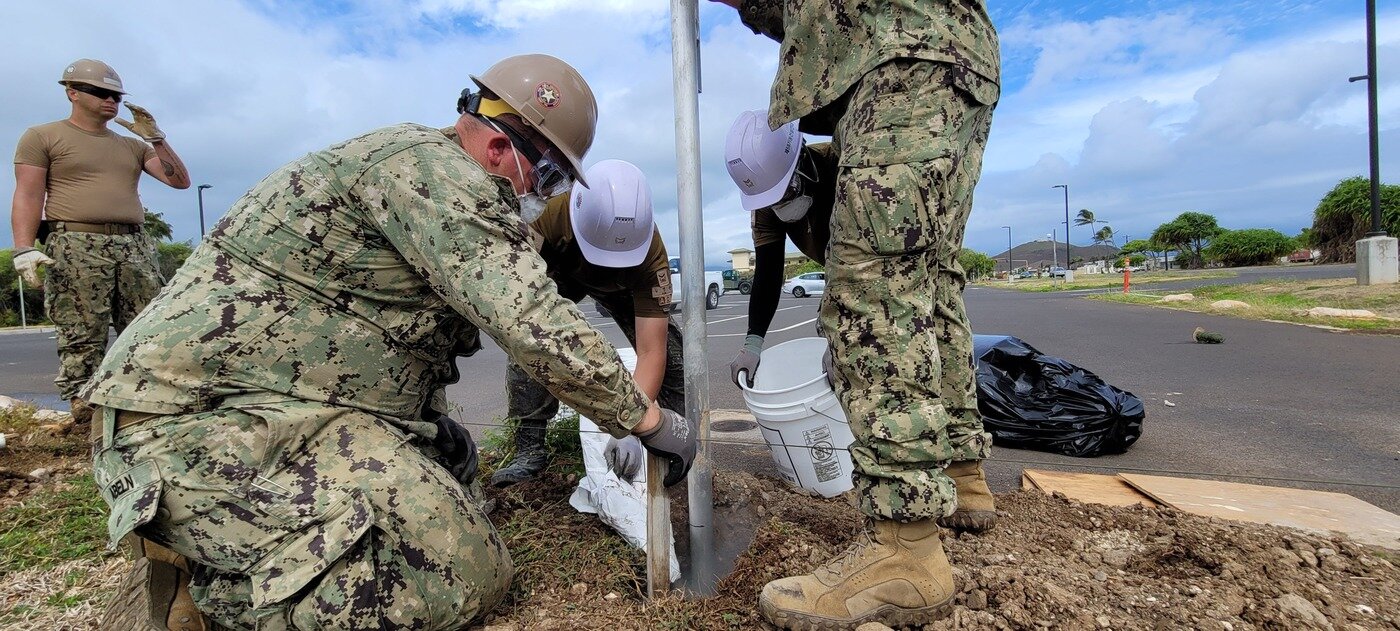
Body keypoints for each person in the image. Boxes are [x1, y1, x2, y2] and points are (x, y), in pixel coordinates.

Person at [82, 54, 697, 631]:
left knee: (454, 466)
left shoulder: (435, 175)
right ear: (498, 145)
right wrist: (642, 418)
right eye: (552, 172)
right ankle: (212, 591)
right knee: (463, 573)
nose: (548, 189)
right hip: (195, 424)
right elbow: (532, 321)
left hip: (291, 404)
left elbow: (397, 338)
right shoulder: (433, 177)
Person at [710, 1, 1001, 627]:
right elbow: (766, 276)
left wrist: (853, 329)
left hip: (901, 54)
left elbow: (875, 290)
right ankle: (962, 473)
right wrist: (754, 340)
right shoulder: (767, 203)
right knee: (933, 283)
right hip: (950, 53)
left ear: (799, 162)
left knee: (877, 301)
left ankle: (907, 549)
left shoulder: (845, 156)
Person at [10, 58, 190, 434]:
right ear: (73, 93)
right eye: (101, 93)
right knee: (81, 332)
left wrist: (156, 138)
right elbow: (28, 194)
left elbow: (180, 183)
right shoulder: (43, 136)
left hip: (133, 245)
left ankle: (142, 406)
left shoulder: (132, 146)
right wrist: (23, 247)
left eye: (116, 95)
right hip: (75, 243)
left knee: (145, 327)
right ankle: (84, 415)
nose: (112, 101)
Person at [491, 159, 686, 487]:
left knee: (675, 357)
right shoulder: (547, 217)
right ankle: (529, 449)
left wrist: (631, 426)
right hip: (561, 272)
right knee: (528, 340)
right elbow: (513, 290)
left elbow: (652, 352)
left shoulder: (652, 257)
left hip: (623, 288)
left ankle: (668, 436)